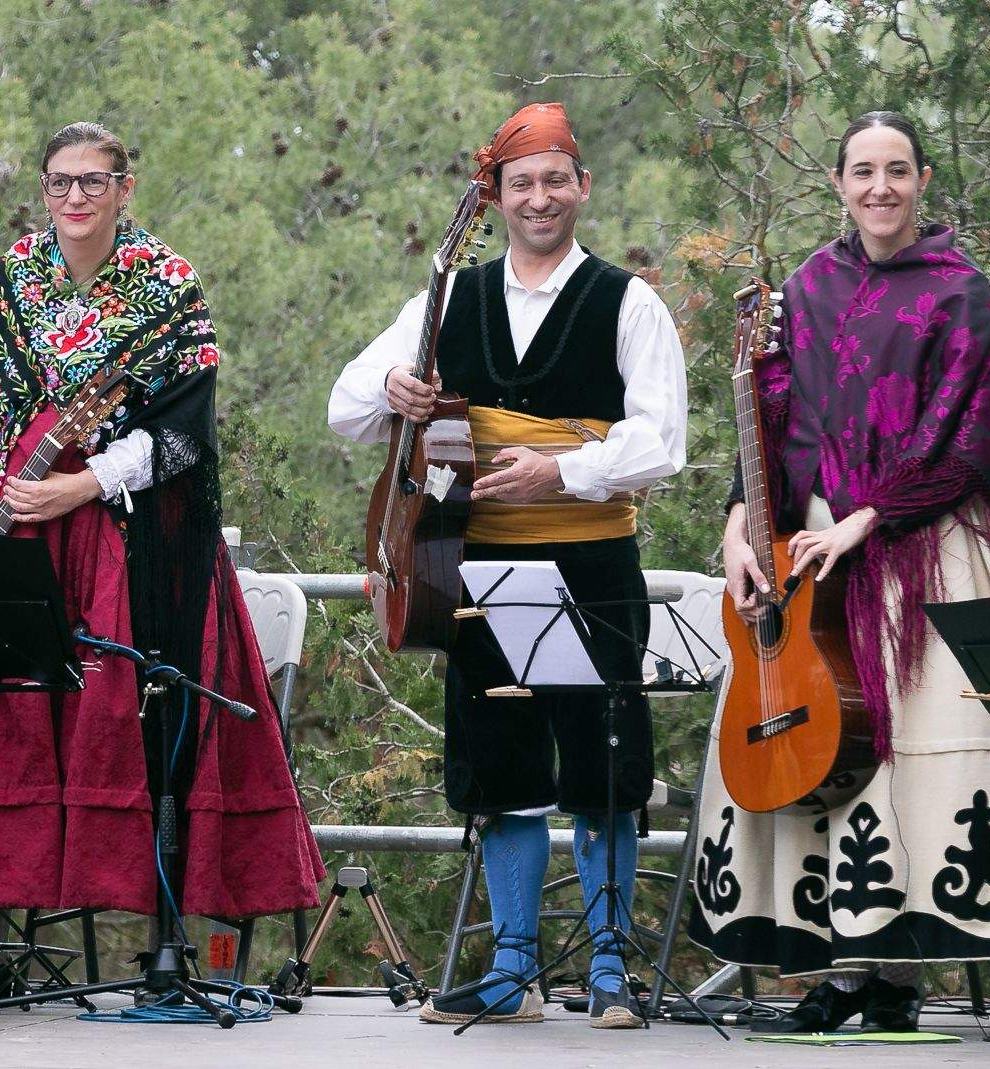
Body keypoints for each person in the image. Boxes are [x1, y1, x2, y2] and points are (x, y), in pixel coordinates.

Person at [329, 102, 687, 1028]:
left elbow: (663, 443)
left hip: (595, 560)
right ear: (495, 194)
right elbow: (344, 412)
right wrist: (392, 388)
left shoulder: (627, 299)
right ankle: (514, 966)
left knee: (605, 760)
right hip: (477, 571)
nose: (539, 197)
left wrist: (561, 469)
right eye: (520, 182)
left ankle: (609, 965)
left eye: (555, 180)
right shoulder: (447, 302)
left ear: (583, 187)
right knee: (500, 762)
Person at [692, 112, 990, 1033]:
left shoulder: (962, 292)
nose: (879, 188)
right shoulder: (808, 285)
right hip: (809, 550)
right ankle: (836, 969)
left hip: (920, 546)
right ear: (839, 183)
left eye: (896, 170)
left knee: (907, 760)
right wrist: (739, 521)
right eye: (861, 172)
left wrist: (866, 519)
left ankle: (897, 970)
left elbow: (968, 446)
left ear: (923, 179)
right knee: (809, 741)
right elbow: (770, 418)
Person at [0, 122, 323, 927]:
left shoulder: (168, 285)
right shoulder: (4, 282)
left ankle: (160, 940)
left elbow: (184, 433)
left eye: (93, 182)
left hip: (132, 544)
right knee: (5, 722)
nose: (75, 197)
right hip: (7, 540)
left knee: (137, 722)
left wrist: (81, 490)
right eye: (60, 182)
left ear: (125, 187)